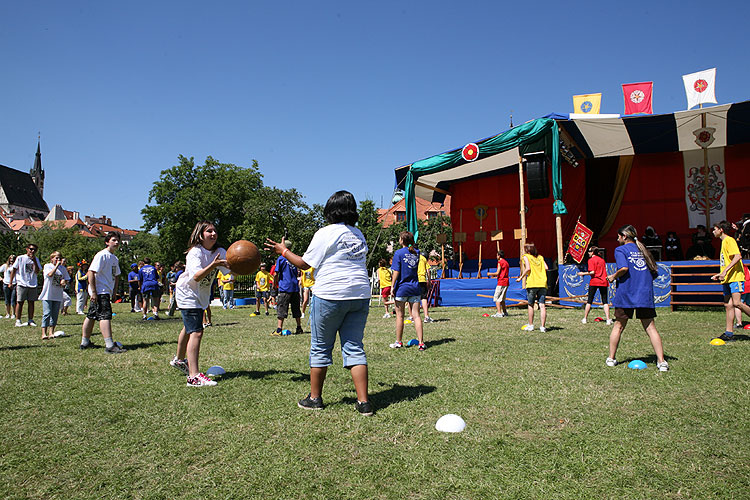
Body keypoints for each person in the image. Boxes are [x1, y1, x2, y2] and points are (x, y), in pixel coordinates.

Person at [265, 190, 373, 415]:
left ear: (330, 211)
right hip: (360, 294)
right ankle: (364, 403)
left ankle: (315, 398)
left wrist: (283, 251)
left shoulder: (325, 233)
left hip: (331, 294)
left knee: (320, 347)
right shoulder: (358, 234)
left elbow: (304, 264)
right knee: (354, 346)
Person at [170, 221, 229, 387]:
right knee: (196, 331)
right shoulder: (195, 252)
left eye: (214, 230)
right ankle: (193, 376)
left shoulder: (220, 251)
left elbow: (230, 272)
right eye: (208, 231)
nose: (213, 233)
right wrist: (213, 265)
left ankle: (179, 360)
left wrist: (244, 263)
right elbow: (196, 276)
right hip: (187, 294)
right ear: (200, 235)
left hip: (200, 295)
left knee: (188, 328)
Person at [605, 225, 668, 371]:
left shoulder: (620, 250)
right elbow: (654, 272)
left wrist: (613, 276)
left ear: (624, 236)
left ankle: (611, 358)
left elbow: (624, 268)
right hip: (644, 294)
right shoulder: (642, 249)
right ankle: (662, 362)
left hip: (627, 293)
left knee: (619, 326)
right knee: (650, 327)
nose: (617, 239)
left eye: (618, 236)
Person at [81, 232, 126, 353]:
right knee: (105, 316)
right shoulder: (101, 255)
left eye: (117, 240)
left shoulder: (114, 258)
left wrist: (115, 291)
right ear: (107, 242)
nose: (116, 243)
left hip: (106, 291)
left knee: (91, 315)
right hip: (100, 291)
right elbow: (91, 273)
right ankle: (110, 345)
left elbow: (116, 276)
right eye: (113, 240)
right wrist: (94, 292)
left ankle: (85, 342)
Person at [710, 221, 750, 341]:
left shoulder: (729, 240)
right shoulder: (723, 242)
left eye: (715, 229)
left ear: (721, 229)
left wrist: (725, 272)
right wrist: (720, 274)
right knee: (728, 305)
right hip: (727, 278)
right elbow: (727, 261)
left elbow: (738, 257)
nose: (713, 231)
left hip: (735, 278)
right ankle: (729, 333)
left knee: (737, 303)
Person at [389, 231, 425, 351]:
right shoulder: (417, 252)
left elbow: (396, 271)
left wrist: (392, 286)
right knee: (417, 316)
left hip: (402, 288)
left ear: (402, 240)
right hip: (415, 288)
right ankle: (421, 343)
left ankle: (398, 342)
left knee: (400, 316)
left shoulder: (398, 253)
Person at [271, 242, 303, 336]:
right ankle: (299, 327)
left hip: (285, 287)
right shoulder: (293, 257)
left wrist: (274, 283)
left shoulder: (281, 258)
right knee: (296, 309)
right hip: (295, 287)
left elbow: (276, 273)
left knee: (281, 308)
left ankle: (279, 330)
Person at [39, 251, 70, 340]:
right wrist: (56, 266)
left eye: (59, 258)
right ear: (52, 258)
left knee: (55, 314)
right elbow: (50, 274)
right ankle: (43, 333)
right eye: (56, 258)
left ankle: (51, 332)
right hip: (48, 294)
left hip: (57, 294)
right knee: (47, 313)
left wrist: (64, 281)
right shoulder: (47, 266)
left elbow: (67, 278)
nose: (58, 260)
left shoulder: (63, 269)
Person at [517, 242, 548, 332]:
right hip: (542, 283)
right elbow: (546, 267)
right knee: (542, 305)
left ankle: (531, 325)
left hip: (532, 283)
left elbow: (528, 268)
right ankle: (542, 327)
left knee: (530, 304)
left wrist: (521, 277)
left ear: (527, 250)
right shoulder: (540, 257)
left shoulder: (526, 257)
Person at [578, 246, 612, 325]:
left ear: (592, 252)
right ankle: (608, 319)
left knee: (589, 300)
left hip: (594, 281)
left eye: (589, 251)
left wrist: (583, 273)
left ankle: (585, 318)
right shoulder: (602, 260)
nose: (588, 253)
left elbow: (592, 272)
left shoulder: (591, 260)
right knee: (605, 301)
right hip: (603, 281)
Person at [9, 244, 41, 327]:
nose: (32, 251)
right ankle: (18, 320)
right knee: (20, 302)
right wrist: (10, 282)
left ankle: (30, 320)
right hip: (22, 283)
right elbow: (14, 269)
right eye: (31, 249)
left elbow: (37, 271)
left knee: (31, 302)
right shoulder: (20, 258)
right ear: (27, 249)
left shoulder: (36, 259)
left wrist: (34, 261)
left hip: (32, 283)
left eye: (34, 250)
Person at [488, 250, 509, 318]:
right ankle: (505, 312)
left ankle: (499, 313)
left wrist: (490, 274)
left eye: (497, 255)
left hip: (501, 282)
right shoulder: (506, 262)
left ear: (499, 256)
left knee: (497, 298)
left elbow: (497, 272)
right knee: (502, 298)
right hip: (506, 281)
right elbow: (502, 272)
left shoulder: (500, 262)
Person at [417, 251, 433, 323]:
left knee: (414, 298)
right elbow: (428, 271)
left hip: (414, 280)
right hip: (422, 279)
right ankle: (426, 316)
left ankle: (413, 316)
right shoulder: (423, 259)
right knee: (424, 298)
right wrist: (429, 281)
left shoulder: (413, 257)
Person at [2, 254, 16, 319]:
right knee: (7, 300)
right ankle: (8, 313)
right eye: (10, 259)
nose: (11, 260)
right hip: (6, 284)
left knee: (13, 299)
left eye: (13, 259)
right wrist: (1, 279)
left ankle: (13, 313)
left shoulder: (16, 266)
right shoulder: (5, 266)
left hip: (14, 284)